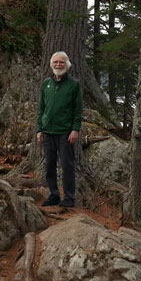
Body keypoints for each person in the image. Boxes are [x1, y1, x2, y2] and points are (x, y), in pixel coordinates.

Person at [37, 51, 83, 207]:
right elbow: (41, 108)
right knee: (49, 166)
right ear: (51, 65)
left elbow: (78, 110)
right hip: (47, 132)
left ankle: (69, 198)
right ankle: (54, 195)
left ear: (67, 64)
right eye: (55, 62)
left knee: (67, 166)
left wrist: (75, 129)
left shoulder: (74, 84)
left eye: (61, 62)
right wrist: (39, 129)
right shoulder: (46, 84)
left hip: (65, 132)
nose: (58, 65)